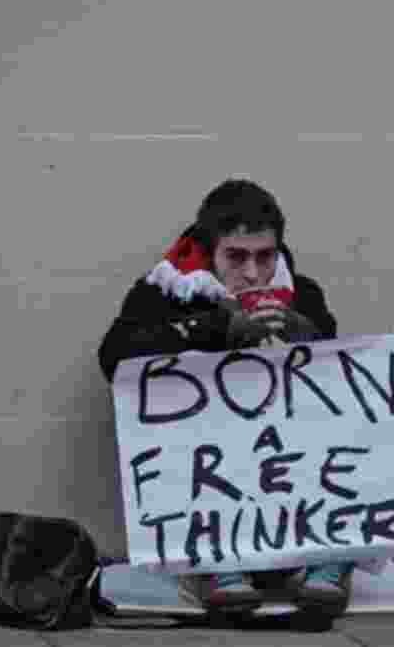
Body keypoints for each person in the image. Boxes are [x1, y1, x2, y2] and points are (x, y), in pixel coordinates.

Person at [97, 178, 355, 617]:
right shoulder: (165, 291)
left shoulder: (302, 293)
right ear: (208, 251)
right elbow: (114, 359)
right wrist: (214, 329)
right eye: (236, 257)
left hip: (283, 462)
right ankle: (215, 561)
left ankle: (324, 557)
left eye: (265, 257)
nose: (253, 273)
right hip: (205, 466)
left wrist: (303, 333)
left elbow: (341, 380)